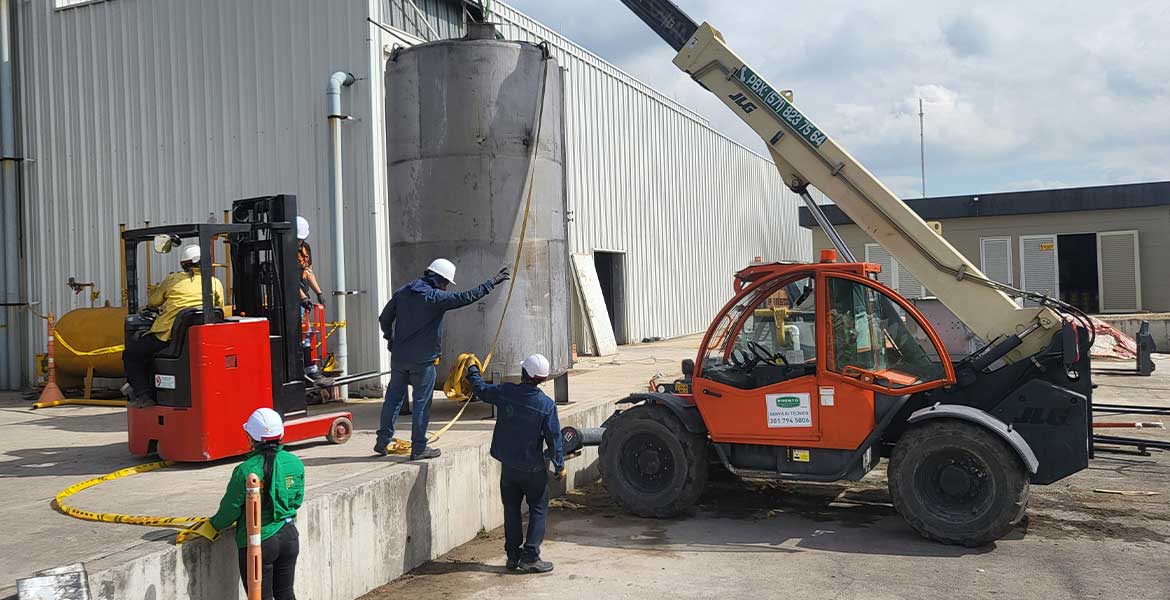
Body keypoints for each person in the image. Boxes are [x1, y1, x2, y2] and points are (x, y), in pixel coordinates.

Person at [375, 258, 510, 460]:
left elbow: (384, 318)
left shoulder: (403, 292)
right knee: (422, 402)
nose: (447, 288)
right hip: (423, 362)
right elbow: (466, 297)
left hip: (400, 358)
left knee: (393, 400)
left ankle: (382, 441)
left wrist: (390, 337)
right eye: (446, 283)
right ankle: (419, 448)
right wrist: (492, 282)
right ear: (440, 280)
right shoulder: (435, 297)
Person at [465, 353, 564, 574]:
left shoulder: (506, 392)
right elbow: (554, 437)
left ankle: (512, 556)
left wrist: (472, 369)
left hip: (509, 467)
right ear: (544, 379)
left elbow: (480, 390)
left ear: (523, 373)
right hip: (533, 469)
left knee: (511, 509)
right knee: (538, 508)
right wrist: (559, 465)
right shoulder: (546, 405)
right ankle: (530, 557)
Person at [200, 408, 305, 600]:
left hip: (259, 542)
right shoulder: (295, 463)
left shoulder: (245, 470)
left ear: (250, 437)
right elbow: (297, 500)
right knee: (286, 594)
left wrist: (212, 525)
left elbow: (229, 511)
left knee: (260, 597)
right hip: (289, 536)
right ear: (281, 434)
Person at [122, 244, 224, 406]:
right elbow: (220, 307)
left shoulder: (173, 280)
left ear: (184, 264)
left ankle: (144, 395)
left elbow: (153, 302)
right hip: (203, 340)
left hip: (169, 336)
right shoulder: (214, 283)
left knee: (132, 354)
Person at [295, 217, 329, 385]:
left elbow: (308, 272)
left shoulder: (305, 249)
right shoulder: (283, 249)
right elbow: (288, 279)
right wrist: (303, 297)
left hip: (303, 299)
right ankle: (309, 370)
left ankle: (309, 370)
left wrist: (318, 292)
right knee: (303, 334)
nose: (299, 241)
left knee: (306, 334)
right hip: (291, 299)